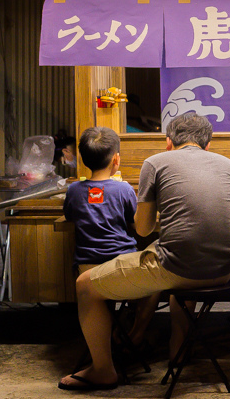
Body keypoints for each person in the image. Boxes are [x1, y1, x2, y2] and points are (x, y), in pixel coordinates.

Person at [58, 113, 230, 391]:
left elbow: (142, 229)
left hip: (178, 270)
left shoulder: (155, 162)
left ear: (168, 142)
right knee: (178, 259)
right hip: (222, 271)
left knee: (85, 285)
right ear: (207, 144)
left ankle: (103, 370)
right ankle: (176, 351)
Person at [63, 126, 159, 348]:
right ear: (116, 160)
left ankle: (107, 337)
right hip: (120, 269)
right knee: (157, 282)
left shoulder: (74, 190)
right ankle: (135, 334)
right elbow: (136, 224)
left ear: (82, 158)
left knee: (106, 295)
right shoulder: (123, 189)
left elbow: (69, 215)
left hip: (87, 271)